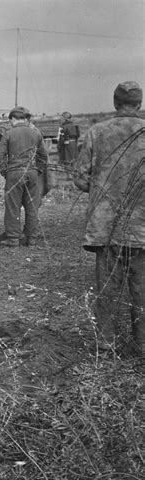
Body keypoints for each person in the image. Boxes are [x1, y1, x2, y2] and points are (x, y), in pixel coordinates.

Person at [74, 81, 144, 357]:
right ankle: (142, 346)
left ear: (115, 103)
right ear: (138, 104)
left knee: (107, 289)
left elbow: (80, 179)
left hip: (107, 226)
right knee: (142, 289)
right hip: (142, 228)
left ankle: (105, 344)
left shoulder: (96, 132)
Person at [0, 106, 48, 247]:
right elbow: (43, 155)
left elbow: (0, 156)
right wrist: (38, 171)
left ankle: (13, 238)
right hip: (32, 172)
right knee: (32, 206)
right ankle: (31, 238)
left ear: (13, 119)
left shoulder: (9, 133)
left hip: (14, 172)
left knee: (13, 206)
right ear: (25, 119)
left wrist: (4, 172)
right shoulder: (36, 133)